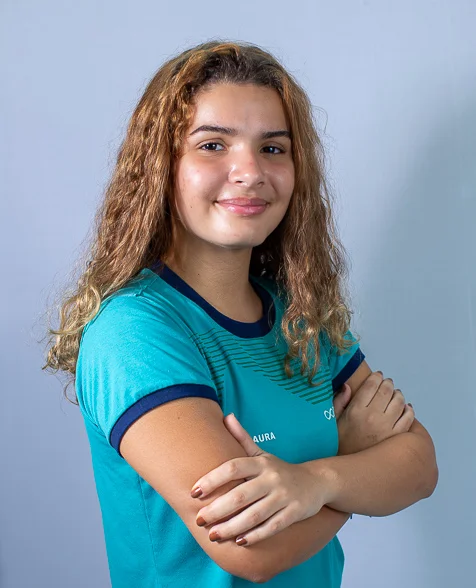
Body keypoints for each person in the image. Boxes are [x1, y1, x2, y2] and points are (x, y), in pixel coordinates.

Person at [43, 40, 438, 587]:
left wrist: (317, 483)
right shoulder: (133, 331)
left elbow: (419, 465)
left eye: (273, 148)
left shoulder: (302, 316)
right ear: (161, 167)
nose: (250, 172)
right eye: (213, 145)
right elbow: (251, 549)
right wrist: (351, 464)